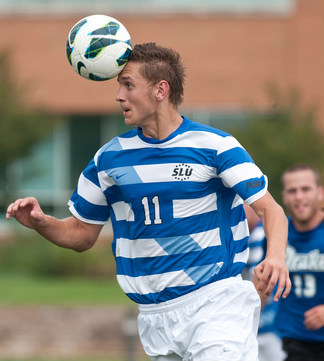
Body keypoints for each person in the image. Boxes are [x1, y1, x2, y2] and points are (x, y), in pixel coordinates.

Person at [6, 42, 291, 361]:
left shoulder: (216, 147)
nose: (119, 96)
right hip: (154, 315)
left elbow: (271, 210)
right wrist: (41, 223)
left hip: (218, 303)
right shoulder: (108, 159)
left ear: (160, 90)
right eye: (119, 87)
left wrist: (276, 256)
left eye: (128, 85)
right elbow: (82, 235)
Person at [275, 163, 324, 361]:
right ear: (284, 196)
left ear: (319, 193)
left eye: (306, 189)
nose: (299, 197)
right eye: (292, 191)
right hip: (296, 341)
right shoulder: (276, 234)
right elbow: (262, 284)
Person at [243, 203, 286, 361]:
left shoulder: (264, 234)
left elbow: (262, 282)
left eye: (243, 202)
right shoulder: (240, 235)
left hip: (272, 328)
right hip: (254, 326)